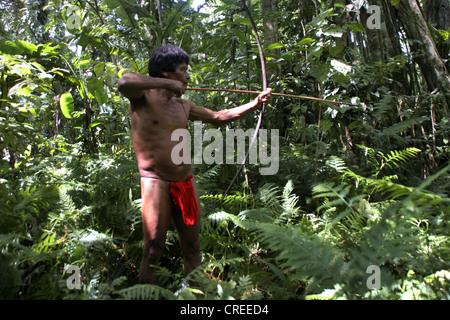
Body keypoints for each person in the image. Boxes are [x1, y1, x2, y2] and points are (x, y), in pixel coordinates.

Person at [118, 44, 271, 284]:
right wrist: (167, 85)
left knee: (192, 245)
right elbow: (124, 82)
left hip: (185, 182)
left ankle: (196, 295)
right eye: (183, 70)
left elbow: (219, 117)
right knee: (153, 249)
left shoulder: (183, 105)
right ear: (167, 73)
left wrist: (255, 104)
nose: (188, 76)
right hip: (155, 181)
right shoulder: (142, 98)